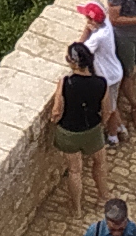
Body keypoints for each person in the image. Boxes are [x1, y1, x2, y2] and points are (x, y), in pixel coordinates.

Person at [42, 39, 112, 211]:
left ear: (72, 62)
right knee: (100, 163)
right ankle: (103, 197)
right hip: (92, 130)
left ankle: (77, 209)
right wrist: (101, 125)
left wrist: (54, 120)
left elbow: (57, 111)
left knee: (75, 171)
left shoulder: (65, 82)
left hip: (69, 132)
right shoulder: (101, 83)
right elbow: (107, 110)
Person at [73, 1, 130, 146]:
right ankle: (120, 128)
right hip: (114, 71)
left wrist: (86, 30)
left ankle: (113, 138)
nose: (86, 20)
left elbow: (78, 49)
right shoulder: (106, 25)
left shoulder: (97, 38)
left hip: (108, 78)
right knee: (112, 104)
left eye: (88, 18)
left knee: (109, 109)